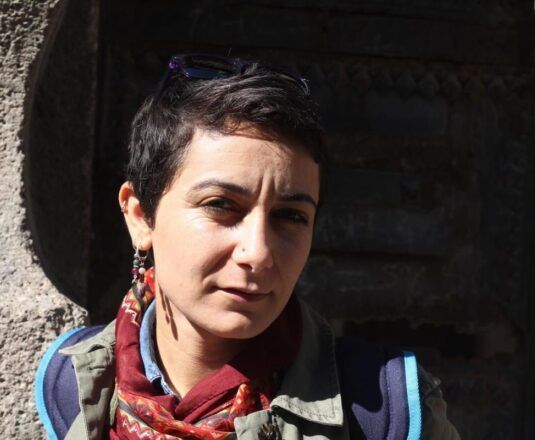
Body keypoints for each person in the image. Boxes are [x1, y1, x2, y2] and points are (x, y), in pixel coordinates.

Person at [35, 54, 460, 440]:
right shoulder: (74, 385)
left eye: (290, 216)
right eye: (221, 205)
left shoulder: (383, 411)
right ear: (141, 216)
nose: (258, 252)